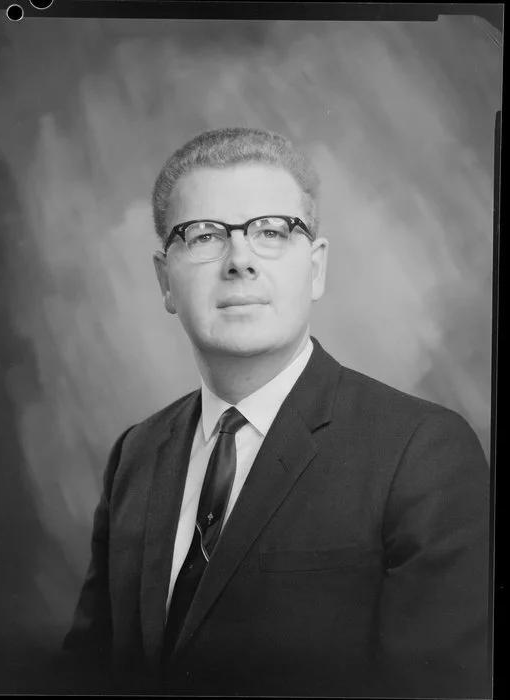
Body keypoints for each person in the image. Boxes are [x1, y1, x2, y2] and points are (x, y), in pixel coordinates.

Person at [60, 127, 491, 697]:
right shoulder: (135, 454)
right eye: (204, 234)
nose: (239, 260)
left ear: (315, 267)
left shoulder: (422, 452)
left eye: (270, 231)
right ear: (165, 281)